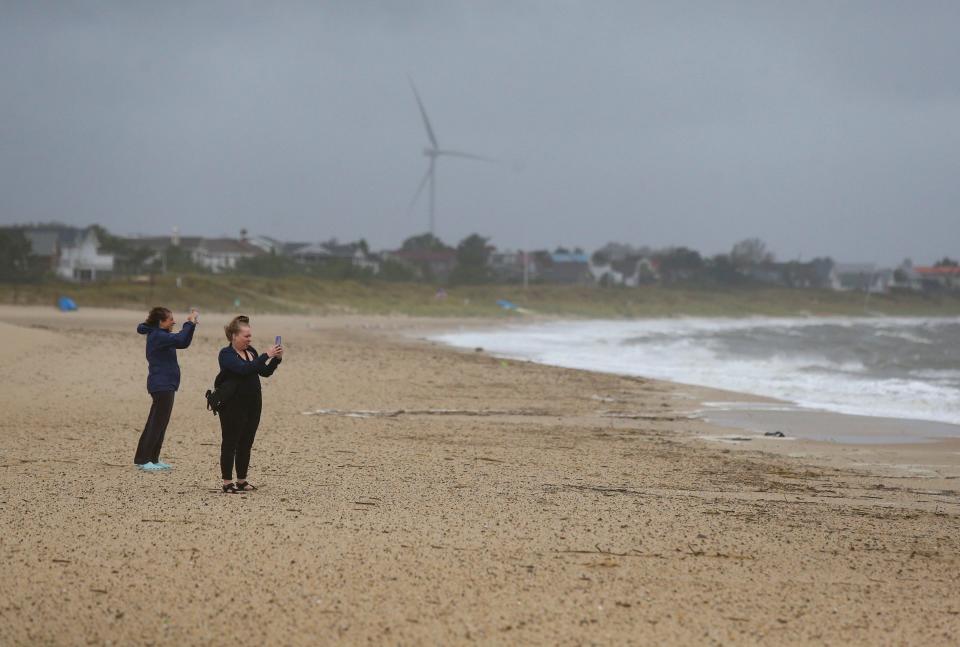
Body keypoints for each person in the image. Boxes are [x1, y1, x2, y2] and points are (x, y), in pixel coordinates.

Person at [217, 315, 282, 493]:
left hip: (253, 404)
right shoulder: (226, 354)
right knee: (230, 442)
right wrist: (265, 355)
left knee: (246, 443)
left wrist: (275, 359)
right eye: (246, 336)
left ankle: (242, 480)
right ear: (234, 336)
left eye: (250, 336)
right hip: (232, 405)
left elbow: (264, 372)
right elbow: (243, 369)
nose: (249, 339)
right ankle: (227, 482)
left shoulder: (251, 351)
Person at [135, 306, 198, 469]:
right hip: (161, 384)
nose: (174, 321)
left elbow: (183, 342)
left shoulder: (161, 335)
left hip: (165, 384)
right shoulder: (158, 336)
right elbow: (180, 339)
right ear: (161, 322)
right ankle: (143, 460)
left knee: (160, 423)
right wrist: (189, 323)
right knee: (156, 423)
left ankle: (153, 459)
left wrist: (191, 325)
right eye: (170, 319)